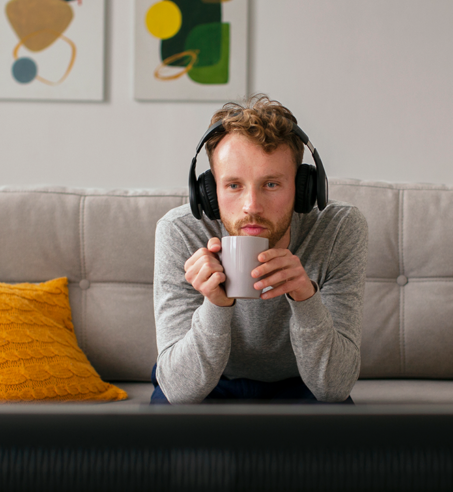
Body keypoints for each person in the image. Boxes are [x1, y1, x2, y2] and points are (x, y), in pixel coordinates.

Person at [151, 94, 368, 404]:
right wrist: (214, 305)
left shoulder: (339, 228)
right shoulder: (180, 231)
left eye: (271, 184)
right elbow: (180, 391)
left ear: (303, 187)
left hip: (300, 384)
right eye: (234, 185)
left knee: (342, 448)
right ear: (208, 192)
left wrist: (306, 297)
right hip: (210, 384)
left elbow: (333, 388)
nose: (251, 207)